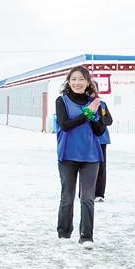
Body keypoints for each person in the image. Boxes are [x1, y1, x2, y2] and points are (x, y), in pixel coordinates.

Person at [56, 66, 106, 250]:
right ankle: (64, 233)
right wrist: (87, 113)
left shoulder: (96, 102)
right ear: (68, 82)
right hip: (67, 154)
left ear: (88, 82)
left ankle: (86, 236)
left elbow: (99, 131)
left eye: (81, 79)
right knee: (67, 196)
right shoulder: (61, 101)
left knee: (87, 198)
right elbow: (65, 125)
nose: (77, 83)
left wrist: (94, 114)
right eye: (74, 79)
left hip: (91, 156)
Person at [90, 81, 113, 202]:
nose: (92, 90)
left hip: (101, 140)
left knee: (101, 167)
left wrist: (101, 120)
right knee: (86, 166)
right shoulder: (83, 104)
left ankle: (99, 193)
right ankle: (85, 192)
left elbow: (109, 120)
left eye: (94, 88)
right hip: (88, 139)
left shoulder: (102, 104)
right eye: (90, 87)